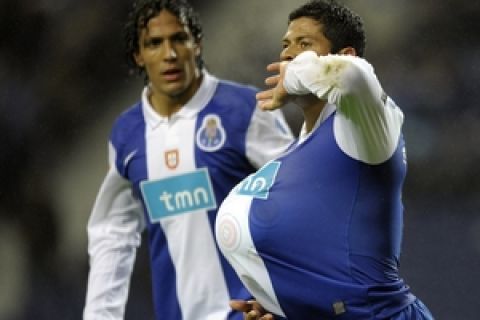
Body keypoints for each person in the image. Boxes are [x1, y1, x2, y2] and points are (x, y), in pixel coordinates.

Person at [215, 0, 434, 319]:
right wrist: (281, 307)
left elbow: (354, 76)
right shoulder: (295, 152)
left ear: (342, 55)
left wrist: (293, 77)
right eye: (285, 45)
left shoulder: (365, 125)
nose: (288, 54)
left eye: (303, 44)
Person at [82, 0, 294, 319]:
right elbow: (113, 233)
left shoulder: (243, 110)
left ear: (197, 45)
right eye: (154, 43)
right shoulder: (127, 135)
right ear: (139, 56)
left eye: (179, 39)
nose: (169, 54)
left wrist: (291, 295)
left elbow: (299, 199)